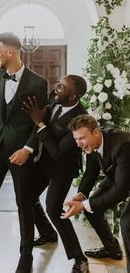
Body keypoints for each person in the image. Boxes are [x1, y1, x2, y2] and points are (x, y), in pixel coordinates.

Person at [0, 32, 47, 273]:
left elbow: (39, 121)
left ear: (10, 51)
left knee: (24, 202)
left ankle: (25, 254)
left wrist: (28, 149)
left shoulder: (39, 83)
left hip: (21, 151)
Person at [22, 74, 89, 273]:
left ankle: (80, 259)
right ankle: (47, 233)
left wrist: (39, 123)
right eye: (58, 84)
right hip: (44, 160)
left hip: (63, 167)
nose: (56, 88)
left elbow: (59, 152)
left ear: (73, 97)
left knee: (53, 209)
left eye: (61, 87)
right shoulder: (56, 97)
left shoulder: (79, 119)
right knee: (27, 196)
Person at [62, 114, 130, 272]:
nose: (79, 144)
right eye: (76, 139)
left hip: (123, 180)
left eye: (82, 138)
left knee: (127, 224)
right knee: (93, 207)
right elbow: (91, 170)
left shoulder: (123, 145)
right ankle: (112, 249)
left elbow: (121, 191)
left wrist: (84, 205)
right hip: (118, 176)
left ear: (96, 132)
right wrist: (82, 195)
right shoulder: (92, 144)